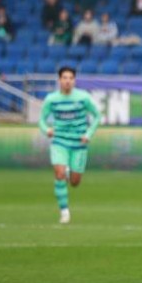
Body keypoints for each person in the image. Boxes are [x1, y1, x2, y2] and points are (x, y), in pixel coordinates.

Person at [39, 66, 102, 224]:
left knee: (74, 182)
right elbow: (41, 119)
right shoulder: (51, 99)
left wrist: (88, 134)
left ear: (74, 80)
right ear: (59, 80)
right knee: (59, 174)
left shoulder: (83, 97)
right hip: (59, 141)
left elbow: (97, 116)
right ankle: (64, 211)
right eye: (64, 78)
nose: (67, 81)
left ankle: (69, 173)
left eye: (70, 78)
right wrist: (47, 130)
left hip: (78, 143)